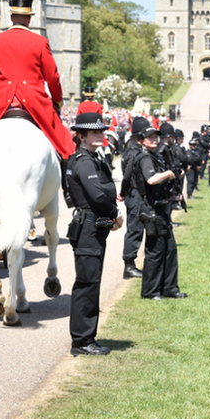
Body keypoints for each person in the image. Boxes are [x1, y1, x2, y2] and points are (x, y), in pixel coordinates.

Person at [0, 0, 74, 159]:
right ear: (29, 19)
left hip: (2, 100)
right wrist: (57, 100)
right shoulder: (40, 42)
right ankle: (68, 172)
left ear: (11, 17)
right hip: (34, 101)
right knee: (65, 145)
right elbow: (52, 77)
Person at [64, 111, 123, 356]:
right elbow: (97, 195)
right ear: (81, 136)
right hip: (89, 226)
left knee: (90, 282)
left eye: (101, 130)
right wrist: (114, 213)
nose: (100, 134)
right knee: (88, 283)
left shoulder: (88, 157)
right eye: (94, 132)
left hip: (92, 225)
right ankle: (82, 341)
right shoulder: (85, 161)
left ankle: (86, 337)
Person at [128, 121, 187, 300]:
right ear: (141, 140)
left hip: (162, 208)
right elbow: (152, 180)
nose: (154, 139)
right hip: (152, 210)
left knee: (170, 249)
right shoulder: (145, 157)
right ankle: (150, 291)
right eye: (150, 137)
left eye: (156, 136)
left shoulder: (156, 156)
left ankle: (169, 287)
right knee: (155, 251)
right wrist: (168, 174)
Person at [119, 117, 149, 279]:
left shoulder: (130, 149)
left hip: (133, 193)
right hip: (135, 194)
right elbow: (127, 176)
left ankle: (130, 264)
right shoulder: (134, 152)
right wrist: (123, 192)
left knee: (136, 228)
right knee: (135, 229)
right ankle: (129, 265)